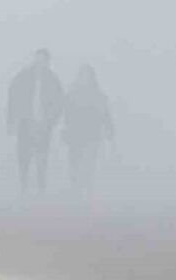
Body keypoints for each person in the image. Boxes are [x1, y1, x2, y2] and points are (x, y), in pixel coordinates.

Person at [7, 48, 65, 194]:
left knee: (42, 158)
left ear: (47, 62)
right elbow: (13, 99)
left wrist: (51, 121)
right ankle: (24, 186)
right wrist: (12, 120)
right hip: (25, 123)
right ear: (34, 59)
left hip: (43, 125)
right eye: (38, 59)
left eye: (43, 60)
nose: (40, 63)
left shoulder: (53, 80)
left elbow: (59, 103)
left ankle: (41, 188)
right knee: (23, 156)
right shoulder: (22, 77)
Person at [62, 64, 115, 197]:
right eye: (83, 75)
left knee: (89, 163)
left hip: (92, 135)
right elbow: (66, 115)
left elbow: (105, 114)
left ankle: (87, 189)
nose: (85, 78)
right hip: (75, 135)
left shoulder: (98, 95)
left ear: (92, 78)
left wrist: (109, 130)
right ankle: (75, 189)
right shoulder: (72, 94)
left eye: (88, 75)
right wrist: (65, 130)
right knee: (74, 163)